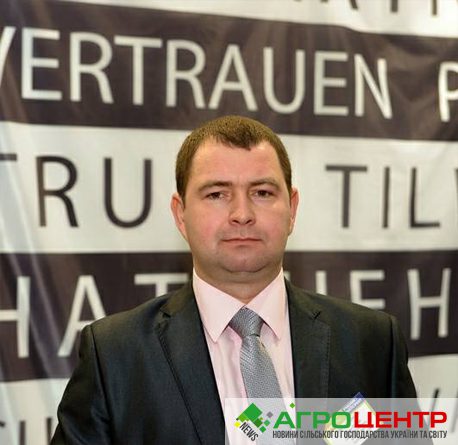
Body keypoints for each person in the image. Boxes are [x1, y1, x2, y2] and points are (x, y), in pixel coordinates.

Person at [51, 115, 416, 445]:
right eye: (217, 194)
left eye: (262, 193)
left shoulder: (372, 342)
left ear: (292, 209)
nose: (242, 214)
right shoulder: (114, 356)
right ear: (180, 214)